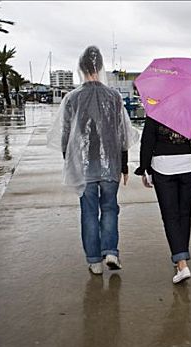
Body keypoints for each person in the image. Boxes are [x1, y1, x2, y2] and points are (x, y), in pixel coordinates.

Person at [47, 46, 137, 275]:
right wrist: (124, 165)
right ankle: (111, 252)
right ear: (100, 67)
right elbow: (122, 135)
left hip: (84, 167)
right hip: (111, 167)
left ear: (81, 68)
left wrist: (69, 162)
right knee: (109, 208)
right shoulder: (114, 96)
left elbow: (66, 135)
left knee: (88, 212)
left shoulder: (72, 98)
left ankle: (94, 261)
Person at [134, 116, 191, 284]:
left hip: (163, 166)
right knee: (185, 213)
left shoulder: (156, 110)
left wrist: (144, 168)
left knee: (170, 216)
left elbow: (147, 142)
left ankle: (181, 262)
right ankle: (181, 253)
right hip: (189, 164)